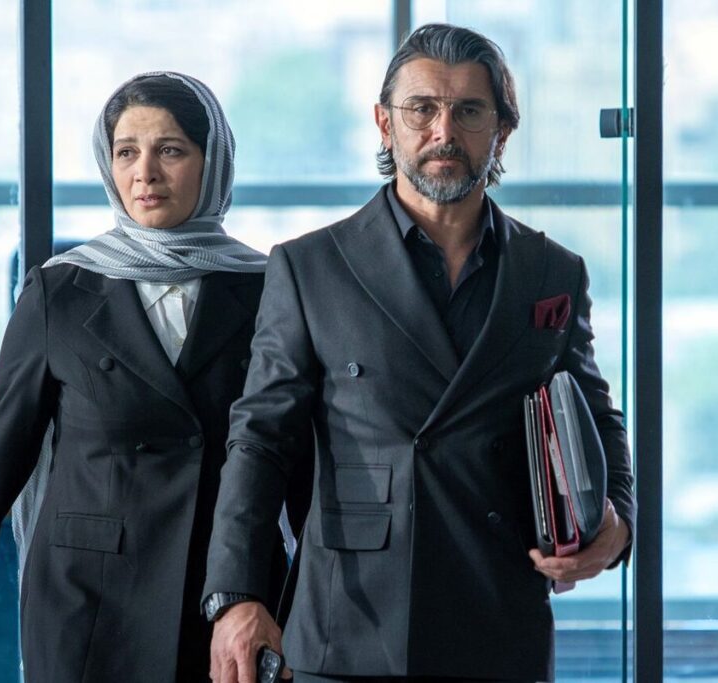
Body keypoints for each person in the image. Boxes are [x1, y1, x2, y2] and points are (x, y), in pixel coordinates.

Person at [203, 24, 637, 683]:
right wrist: (236, 595)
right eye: (422, 109)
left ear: (502, 132)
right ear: (385, 123)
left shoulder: (552, 271)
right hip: (353, 623)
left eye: (469, 111)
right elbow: (260, 439)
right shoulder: (310, 266)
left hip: (500, 617)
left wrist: (619, 522)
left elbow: (597, 415)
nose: (444, 131)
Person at [0, 71, 304, 683]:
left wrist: (317, 609)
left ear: (213, 161)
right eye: (126, 152)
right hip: (87, 600)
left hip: (226, 598)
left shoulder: (270, 288)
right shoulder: (60, 290)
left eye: (170, 150)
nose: (145, 173)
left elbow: (299, 458)